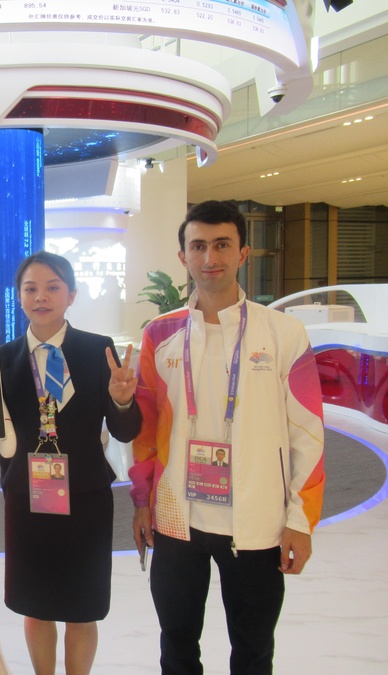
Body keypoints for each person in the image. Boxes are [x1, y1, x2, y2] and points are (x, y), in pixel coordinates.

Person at [130, 200, 326, 674]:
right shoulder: (161, 333)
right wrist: (142, 501)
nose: (210, 257)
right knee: (176, 643)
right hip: (177, 517)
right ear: (183, 256)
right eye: (198, 246)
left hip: (257, 521)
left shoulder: (284, 332)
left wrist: (302, 519)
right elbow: (144, 429)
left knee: (254, 649)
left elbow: (307, 432)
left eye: (222, 245)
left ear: (244, 253)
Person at [0, 251, 142, 675]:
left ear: (71, 295)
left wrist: (121, 398)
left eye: (53, 287)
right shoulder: (0, 362)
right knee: (36, 605)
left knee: (82, 608)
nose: (41, 297)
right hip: (28, 497)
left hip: (86, 497)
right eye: (31, 288)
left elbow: (125, 430)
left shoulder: (100, 351)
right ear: (19, 296)